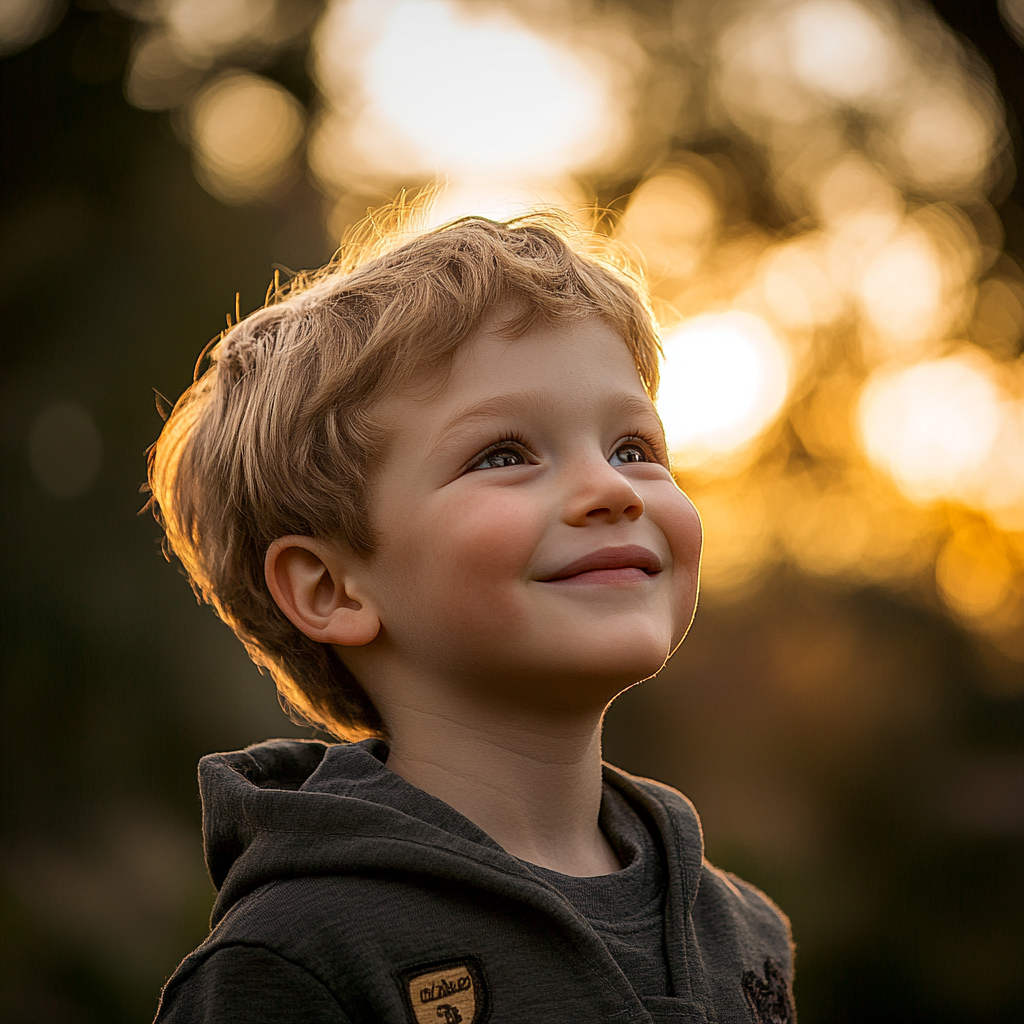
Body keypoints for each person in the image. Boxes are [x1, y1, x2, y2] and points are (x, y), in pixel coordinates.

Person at [147, 206, 796, 1024]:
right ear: (330, 589)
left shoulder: (742, 931)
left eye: (633, 447)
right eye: (504, 456)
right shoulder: (291, 961)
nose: (612, 490)